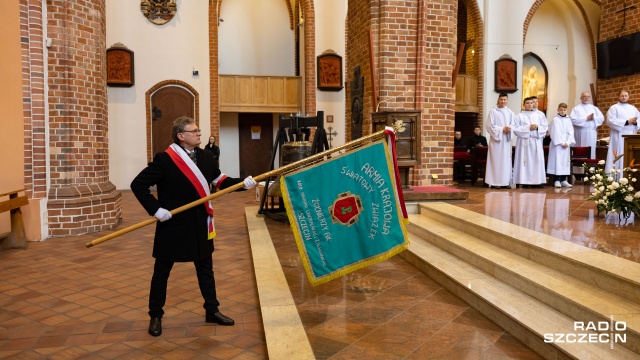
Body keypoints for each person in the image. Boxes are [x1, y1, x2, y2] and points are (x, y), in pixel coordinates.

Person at [131, 116, 257, 337]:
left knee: (206, 270)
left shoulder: (206, 156)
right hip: (173, 224)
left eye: (199, 130)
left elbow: (219, 181)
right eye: (194, 131)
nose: (199, 133)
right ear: (181, 136)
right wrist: (156, 209)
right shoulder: (165, 159)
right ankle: (155, 315)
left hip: (200, 223)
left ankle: (212, 310)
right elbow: (138, 184)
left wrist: (242, 184)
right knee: (161, 273)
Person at [513, 97, 548, 188]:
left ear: (533, 104)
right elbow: (515, 129)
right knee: (525, 162)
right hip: (524, 142)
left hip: (536, 141)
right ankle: (525, 181)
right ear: (524, 105)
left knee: (536, 161)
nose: (529, 105)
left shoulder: (539, 115)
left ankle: (536, 181)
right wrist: (528, 128)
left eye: (531, 103)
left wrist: (537, 128)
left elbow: (545, 127)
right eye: (527, 103)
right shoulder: (519, 116)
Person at [485, 93, 515, 189]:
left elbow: (514, 125)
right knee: (496, 161)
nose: (503, 101)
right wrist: (502, 129)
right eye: (501, 99)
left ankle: (505, 182)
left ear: (507, 100)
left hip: (506, 140)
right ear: (498, 100)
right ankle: (495, 182)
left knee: (506, 161)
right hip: (496, 141)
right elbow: (489, 126)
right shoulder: (493, 111)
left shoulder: (510, 112)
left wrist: (509, 128)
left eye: (504, 99)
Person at [605, 89, 640, 173]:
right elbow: (610, 121)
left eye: (625, 96)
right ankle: (615, 176)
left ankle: (629, 176)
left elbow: (639, 119)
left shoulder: (633, 108)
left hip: (631, 134)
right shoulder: (614, 108)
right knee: (617, 154)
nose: (624, 97)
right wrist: (627, 122)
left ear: (628, 97)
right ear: (618, 96)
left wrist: (635, 123)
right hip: (618, 134)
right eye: (622, 96)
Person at [547, 103, 575, 188]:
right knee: (557, 161)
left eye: (564, 110)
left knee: (564, 162)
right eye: (561, 110)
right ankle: (557, 180)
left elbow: (571, 132)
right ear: (558, 110)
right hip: (558, 145)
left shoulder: (568, 119)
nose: (562, 111)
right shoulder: (555, 119)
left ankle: (563, 180)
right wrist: (562, 143)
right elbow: (554, 133)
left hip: (566, 145)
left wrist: (568, 142)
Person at [570, 92, 604, 159]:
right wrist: (586, 118)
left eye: (588, 96)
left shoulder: (594, 108)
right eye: (584, 96)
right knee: (580, 151)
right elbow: (572, 120)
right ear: (581, 98)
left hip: (591, 133)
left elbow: (601, 118)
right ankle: (579, 168)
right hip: (580, 133)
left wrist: (594, 118)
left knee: (591, 152)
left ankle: (590, 169)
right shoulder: (576, 109)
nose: (586, 98)